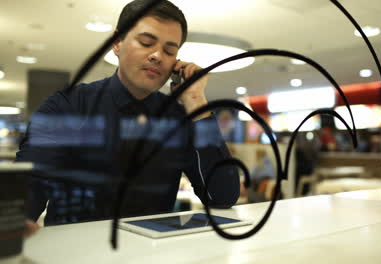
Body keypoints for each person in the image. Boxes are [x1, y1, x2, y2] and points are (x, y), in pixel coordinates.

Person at [15, 0, 239, 226]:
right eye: (146, 42)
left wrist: (196, 102)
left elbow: (222, 197)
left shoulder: (177, 119)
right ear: (117, 43)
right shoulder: (68, 107)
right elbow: (28, 190)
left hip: (151, 254)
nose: (157, 56)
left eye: (170, 51)